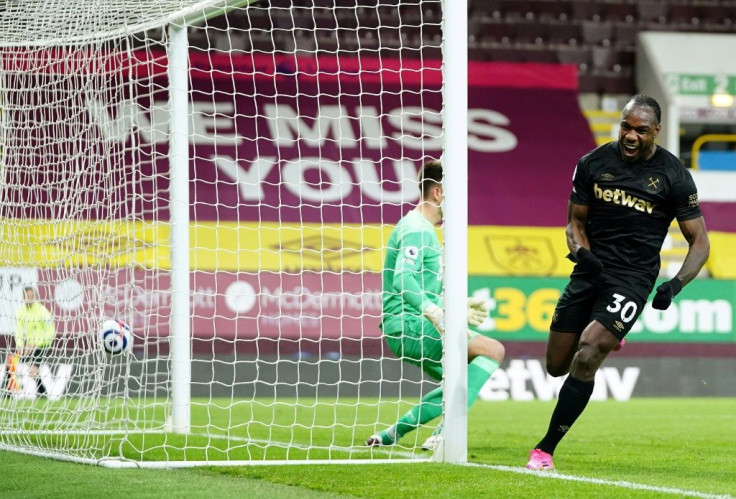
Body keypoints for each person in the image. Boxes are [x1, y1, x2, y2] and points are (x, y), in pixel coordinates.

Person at [526, 95, 710, 471]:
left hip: (633, 278)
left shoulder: (674, 176)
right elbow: (574, 223)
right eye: (626, 126)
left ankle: (545, 450)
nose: (630, 135)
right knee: (556, 366)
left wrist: (675, 284)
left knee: (590, 352)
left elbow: (700, 242)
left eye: (640, 130)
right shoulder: (592, 163)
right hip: (590, 270)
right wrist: (583, 255)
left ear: (656, 132)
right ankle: (611, 328)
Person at [366, 159, 505, 450]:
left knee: (460, 379)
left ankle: (393, 434)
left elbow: (423, 287)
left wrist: (457, 307)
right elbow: (403, 280)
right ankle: (445, 432)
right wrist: (434, 312)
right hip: (408, 324)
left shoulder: (421, 228)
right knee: (493, 350)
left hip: (409, 324)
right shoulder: (418, 229)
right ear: (439, 194)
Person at [2, 286, 56, 398]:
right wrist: (21, 346)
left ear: (35, 297)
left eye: (32, 296)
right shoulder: (20, 312)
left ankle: (43, 393)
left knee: (32, 371)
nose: (30, 299)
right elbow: (18, 331)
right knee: (10, 362)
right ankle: (7, 391)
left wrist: (36, 343)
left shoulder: (43, 311)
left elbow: (50, 332)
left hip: (42, 345)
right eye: (27, 296)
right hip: (26, 346)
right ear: (23, 297)